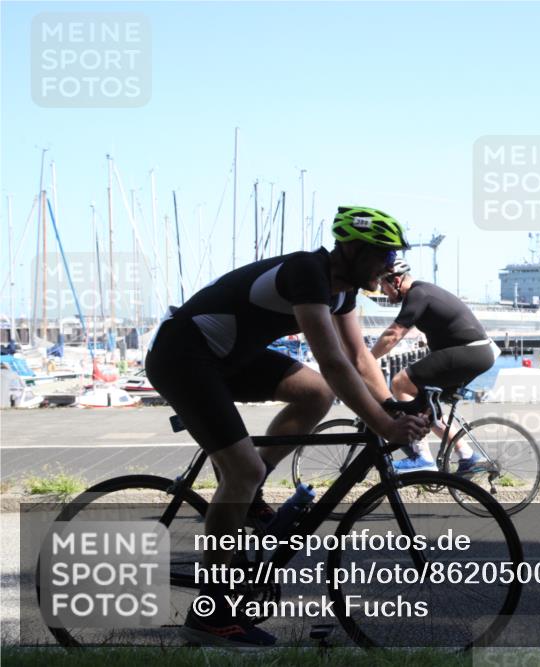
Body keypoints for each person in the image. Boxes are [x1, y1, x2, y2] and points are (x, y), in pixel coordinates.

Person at [145, 206, 430, 647]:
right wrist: (384, 426)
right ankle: (211, 614)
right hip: (184, 354)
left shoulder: (343, 292)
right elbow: (334, 362)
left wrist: (391, 406)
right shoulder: (307, 271)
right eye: (383, 254)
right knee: (241, 470)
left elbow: (359, 360)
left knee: (314, 394)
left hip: (227, 357)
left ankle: (250, 491)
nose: (390, 267)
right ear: (351, 249)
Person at [371, 258, 500, 473]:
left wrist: (366, 359)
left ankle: (422, 459)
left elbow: (393, 334)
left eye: (382, 286)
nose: (381, 291)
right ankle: (468, 456)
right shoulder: (421, 293)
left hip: (472, 350)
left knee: (400, 383)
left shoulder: (418, 294)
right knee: (425, 409)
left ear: (394, 280)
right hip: (478, 353)